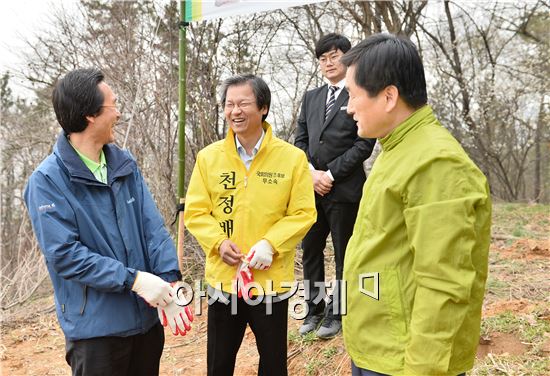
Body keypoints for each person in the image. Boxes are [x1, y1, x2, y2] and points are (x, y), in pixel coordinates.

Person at [24, 68, 192, 376]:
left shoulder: (123, 164)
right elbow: (65, 255)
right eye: (113, 105)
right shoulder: (47, 181)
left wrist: (169, 281)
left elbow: (151, 227)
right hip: (96, 333)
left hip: (145, 322)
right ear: (90, 115)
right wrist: (136, 281)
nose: (118, 113)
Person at [341, 34, 491, 376]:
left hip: (405, 361)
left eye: (352, 95)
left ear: (389, 96)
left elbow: (444, 283)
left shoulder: (436, 163)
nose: (348, 107)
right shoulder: (398, 148)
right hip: (379, 345)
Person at [184, 74, 316, 376]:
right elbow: (196, 211)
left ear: (263, 108)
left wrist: (271, 244)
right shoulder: (209, 158)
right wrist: (218, 242)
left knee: (272, 363)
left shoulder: (292, 159)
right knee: (219, 363)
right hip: (224, 280)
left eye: (243, 103)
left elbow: (303, 212)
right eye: (229, 104)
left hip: (269, 280)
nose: (235, 111)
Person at [294, 33, 375, 338]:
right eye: (322, 58)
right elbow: (299, 140)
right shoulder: (311, 97)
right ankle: (314, 309)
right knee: (311, 249)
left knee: (344, 253)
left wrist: (330, 175)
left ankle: (337, 313)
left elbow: (364, 144)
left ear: (347, 58)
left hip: (344, 190)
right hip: (311, 190)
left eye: (334, 56)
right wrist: (311, 173)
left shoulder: (359, 94)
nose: (328, 63)